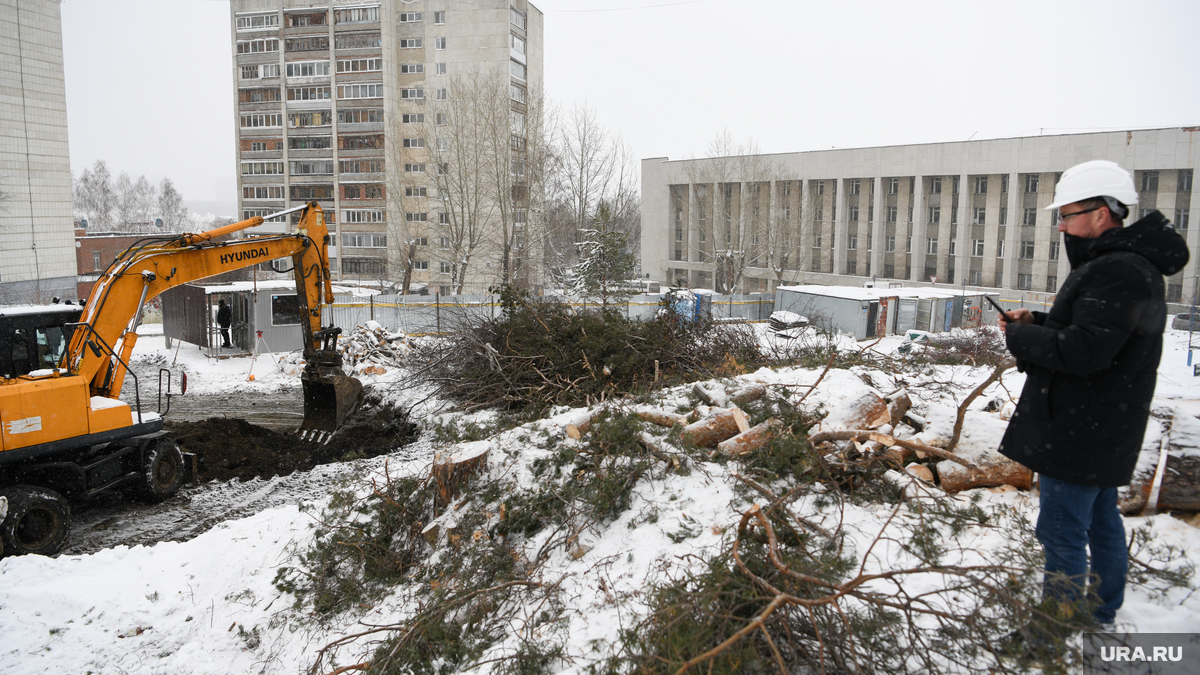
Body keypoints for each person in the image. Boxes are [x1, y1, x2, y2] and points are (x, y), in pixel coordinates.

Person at [997, 160, 1189, 631]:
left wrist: (1019, 339)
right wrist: (1037, 325)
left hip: (1081, 432)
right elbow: (1102, 338)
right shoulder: (1121, 265)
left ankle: (1052, 631)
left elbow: (1084, 352)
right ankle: (1100, 613)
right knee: (1102, 522)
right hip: (1100, 427)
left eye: (1067, 214)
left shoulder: (1117, 270)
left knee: (1061, 533)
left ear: (1103, 213)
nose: (1061, 224)